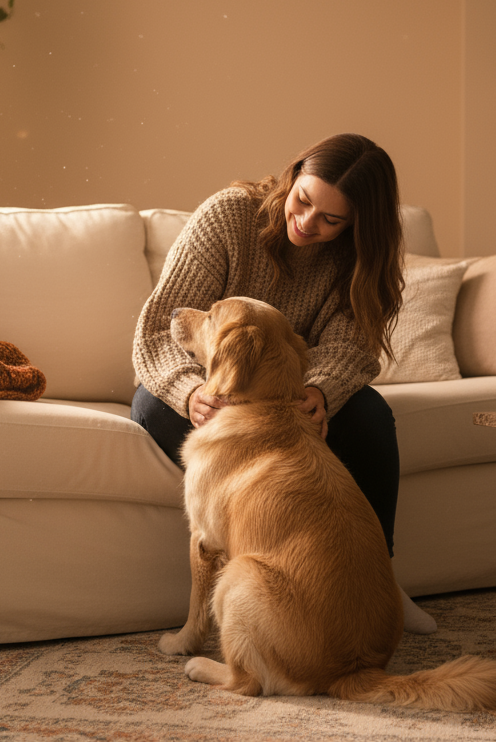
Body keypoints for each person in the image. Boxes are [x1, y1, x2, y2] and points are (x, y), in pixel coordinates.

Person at [131, 133, 436, 634]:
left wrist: (319, 393)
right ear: (293, 178)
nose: (306, 222)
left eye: (330, 220)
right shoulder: (228, 217)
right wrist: (190, 394)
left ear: (358, 225)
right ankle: (253, 564)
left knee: (371, 416)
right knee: (150, 405)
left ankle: (380, 577)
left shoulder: (358, 261)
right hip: (202, 389)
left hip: (285, 401)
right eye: (303, 200)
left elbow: (348, 346)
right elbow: (163, 326)